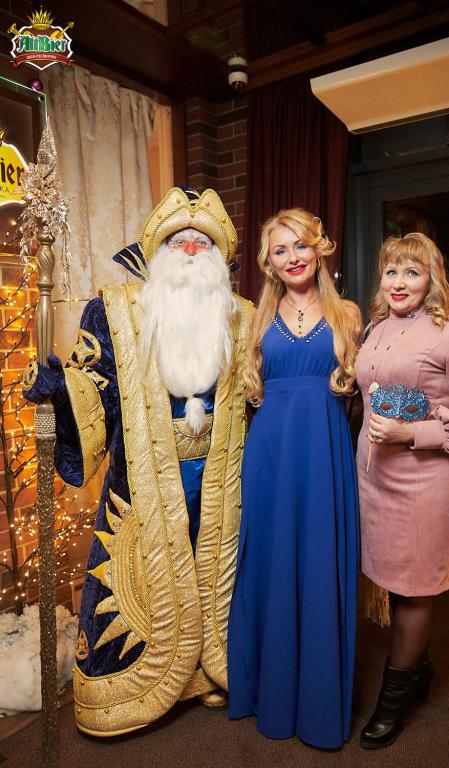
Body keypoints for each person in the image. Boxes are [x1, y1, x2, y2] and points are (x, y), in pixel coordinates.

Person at [22, 187, 254, 736]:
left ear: (220, 256)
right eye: (179, 241)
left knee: (219, 574)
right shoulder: (113, 309)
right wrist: (61, 389)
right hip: (145, 477)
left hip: (224, 475)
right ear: (158, 250)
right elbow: (93, 383)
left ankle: (209, 674)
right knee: (144, 578)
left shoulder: (242, 316)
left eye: (202, 242)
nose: (190, 250)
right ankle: (133, 691)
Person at [227, 208, 362, 749]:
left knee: (319, 566)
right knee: (272, 564)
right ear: (269, 262)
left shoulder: (348, 315)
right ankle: (273, 697)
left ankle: (318, 707)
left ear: (319, 249)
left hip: (325, 455)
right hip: (271, 458)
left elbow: (373, 390)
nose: (293, 257)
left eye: (300, 245)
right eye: (280, 250)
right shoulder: (256, 318)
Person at [355, 232, 449, 750]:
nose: (398, 282)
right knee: (393, 581)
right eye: (391, 271)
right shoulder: (375, 328)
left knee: (414, 588)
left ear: (431, 279)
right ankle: (419, 668)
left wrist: (412, 433)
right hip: (372, 478)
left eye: (411, 272)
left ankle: (394, 700)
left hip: (423, 483)